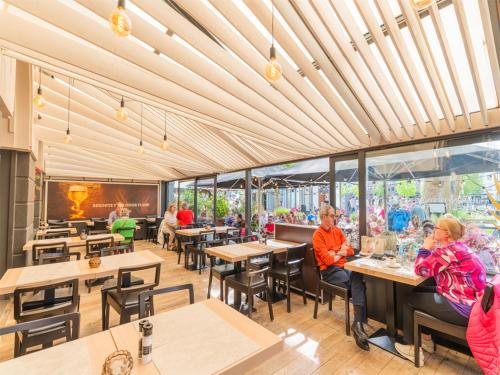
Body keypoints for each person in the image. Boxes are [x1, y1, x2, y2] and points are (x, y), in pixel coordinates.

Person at [395, 215, 487, 366]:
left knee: (409, 300)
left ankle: (411, 348)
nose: (433, 230)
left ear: (447, 233)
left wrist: (424, 248)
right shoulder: (459, 247)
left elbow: (420, 269)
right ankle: (426, 342)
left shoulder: (447, 251)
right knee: (418, 292)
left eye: (436, 228)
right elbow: (436, 267)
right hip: (472, 303)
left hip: (462, 308)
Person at [312, 205, 368, 351]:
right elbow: (328, 260)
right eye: (332, 216)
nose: (334, 218)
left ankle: (357, 323)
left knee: (358, 275)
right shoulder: (318, 235)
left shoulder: (337, 230)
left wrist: (335, 253)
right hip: (329, 272)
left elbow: (350, 250)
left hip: (344, 267)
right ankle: (358, 322)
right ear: (323, 217)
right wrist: (340, 251)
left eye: (335, 216)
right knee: (357, 281)